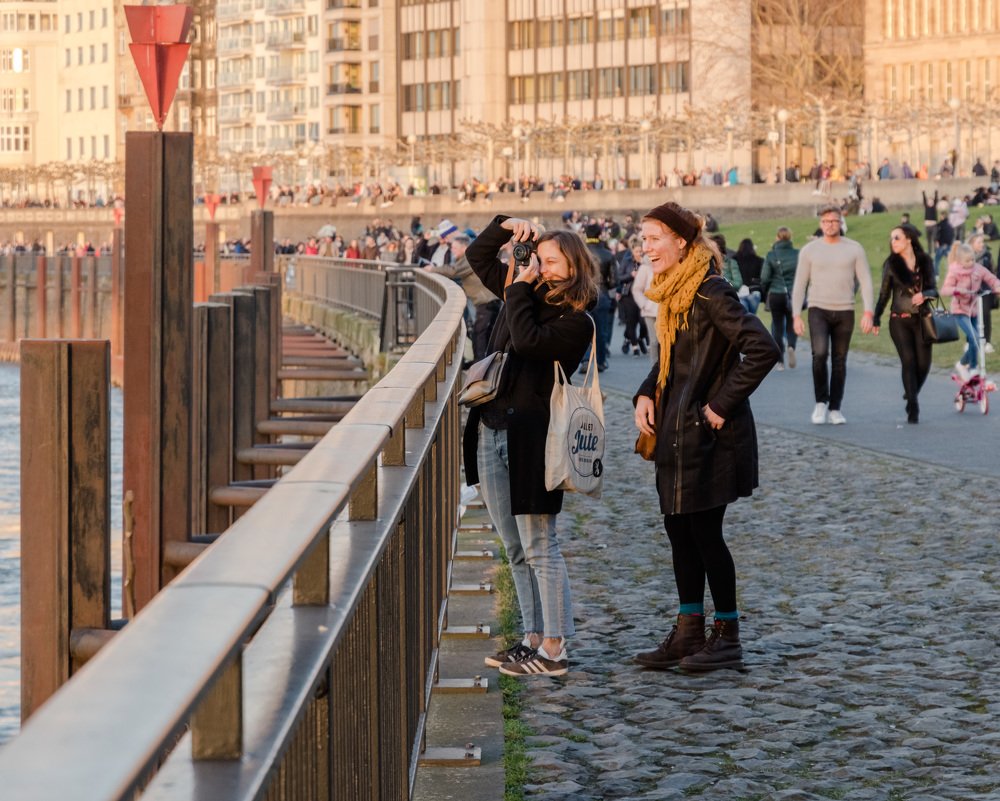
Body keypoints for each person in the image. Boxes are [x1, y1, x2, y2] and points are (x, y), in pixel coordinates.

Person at [632, 202, 780, 673]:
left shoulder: (710, 291)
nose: (647, 247)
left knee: (704, 533)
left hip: (710, 433)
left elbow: (762, 348)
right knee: (678, 530)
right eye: (644, 238)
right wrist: (643, 392)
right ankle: (689, 629)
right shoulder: (674, 294)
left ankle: (727, 634)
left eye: (655, 237)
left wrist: (719, 406)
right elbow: (673, 356)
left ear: (681, 241)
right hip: (675, 431)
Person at [464, 215, 598, 677]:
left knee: (541, 545)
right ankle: (532, 637)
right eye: (538, 259)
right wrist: (507, 225)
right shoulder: (520, 291)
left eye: (550, 262)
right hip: (490, 429)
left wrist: (519, 287)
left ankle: (555, 649)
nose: (539, 267)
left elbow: (526, 341)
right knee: (513, 547)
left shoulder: (575, 320)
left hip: (534, 441)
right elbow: (477, 255)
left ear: (574, 267)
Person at [791, 205, 875, 425]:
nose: (830, 225)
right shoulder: (809, 250)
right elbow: (800, 284)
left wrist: (868, 311)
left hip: (845, 309)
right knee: (819, 354)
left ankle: (835, 408)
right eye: (826, 221)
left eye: (834, 221)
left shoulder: (855, 249)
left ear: (841, 223)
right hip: (818, 308)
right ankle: (821, 402)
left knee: (839, 360)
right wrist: (796, 315)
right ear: (821, 224)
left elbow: (866, 281)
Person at [872, 224, 938, 424]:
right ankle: (913, 407)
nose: (893, 242)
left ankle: (911, 392)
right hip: (899, 320)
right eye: (891, 238)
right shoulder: (891, 264)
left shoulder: (925, 261)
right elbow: (884, 293)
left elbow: (934, 290)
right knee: (908, 361)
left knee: (924, 364)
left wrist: (924, 294)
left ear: (909, 239)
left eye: (897, 238)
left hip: (922, 319)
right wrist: (876, 317)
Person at [423, 233, 500, 362]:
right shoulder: (467, 257)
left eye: (454, 247)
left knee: (480, 335)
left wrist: (432, 269)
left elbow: (453, 271)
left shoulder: (469, 257)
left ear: (464, 248)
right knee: (482, 334)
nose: (452, 250)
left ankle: (481, 366)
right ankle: (482, 364)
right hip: (487, 301)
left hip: (487, 302)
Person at [941, 242, 1000, 381]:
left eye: (973, 259)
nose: (971, 262)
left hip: (974, 310)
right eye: (968, 260)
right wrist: (957, 290)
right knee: (974, 339)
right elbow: (945, 289)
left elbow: (991, 278)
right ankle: (971, 367)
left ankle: (965, 365)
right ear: (960, 261)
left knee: (979, 341)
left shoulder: (978, 269)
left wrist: (997, 286)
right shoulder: (954, 271)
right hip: (960, 311)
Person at [761, 227, 800, 370]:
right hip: (793, 294)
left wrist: (765, 290)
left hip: (776, 293)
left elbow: (764, 277)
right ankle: (791, 346)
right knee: (792, 323)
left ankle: (780, 361)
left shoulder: (772, 255)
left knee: (776, 325)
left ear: (777, 238)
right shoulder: (797, 254)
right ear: (790, 238)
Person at [584, 222, 616, 371]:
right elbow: (614, 280)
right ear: (599, 235)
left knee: (581, 328)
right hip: (601, 293)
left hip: (582, 292)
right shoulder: (608, 254)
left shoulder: (581, 252)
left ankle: (585, 360)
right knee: (601, 330)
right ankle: (601, 361)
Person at [970, 232, 997, 352]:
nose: (982, 244)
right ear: (972, 244)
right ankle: (971, 341)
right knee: (972, 316)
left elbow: (993, 272)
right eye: (979, 242)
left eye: (982, 242)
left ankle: (987, 342)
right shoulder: (967, 256)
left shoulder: (987, 255)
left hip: (985, 291)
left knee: (986, 315)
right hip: (970, 292)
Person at [733, 238, 763, 314]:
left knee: (743, 319)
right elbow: (762, 277)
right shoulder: (759, 260)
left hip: (739, 292)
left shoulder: (734, 260)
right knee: (752, 318)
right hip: (754, 291)